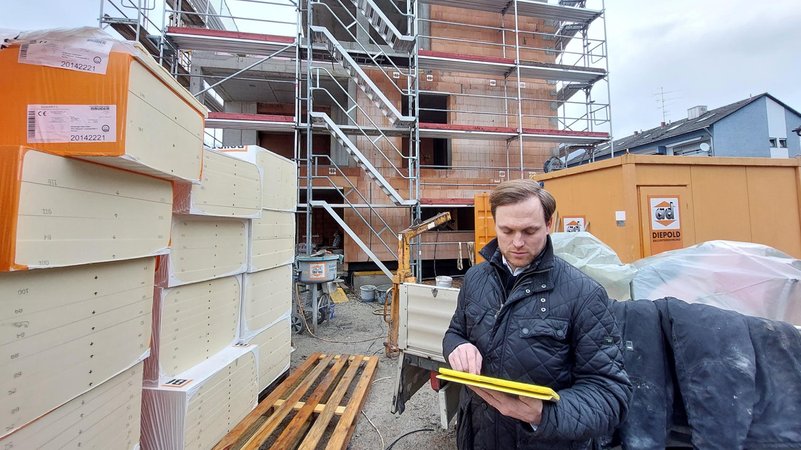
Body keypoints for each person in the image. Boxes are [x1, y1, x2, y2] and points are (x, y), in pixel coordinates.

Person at [443, 179, 631, 449]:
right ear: (494, 224)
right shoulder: (475, 279)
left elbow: (611, 395)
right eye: (506, 230)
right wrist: (457, 346)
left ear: (549, 224)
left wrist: (544, 415)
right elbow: (455, 332)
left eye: (530, 231)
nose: (517, 242)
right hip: (479, 439)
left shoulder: (584, 294)